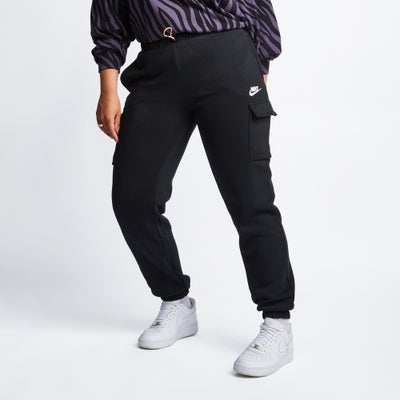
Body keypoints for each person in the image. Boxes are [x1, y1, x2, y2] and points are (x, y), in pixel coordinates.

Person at [90, 0, 295, 377]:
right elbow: (109, 22)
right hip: (156, 66)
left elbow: (258, 9)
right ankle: (176, 301)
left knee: (250, 199)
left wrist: (256, 72)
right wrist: (108, 89)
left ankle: (277, 321)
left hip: (227, 56)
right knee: (133, 197)